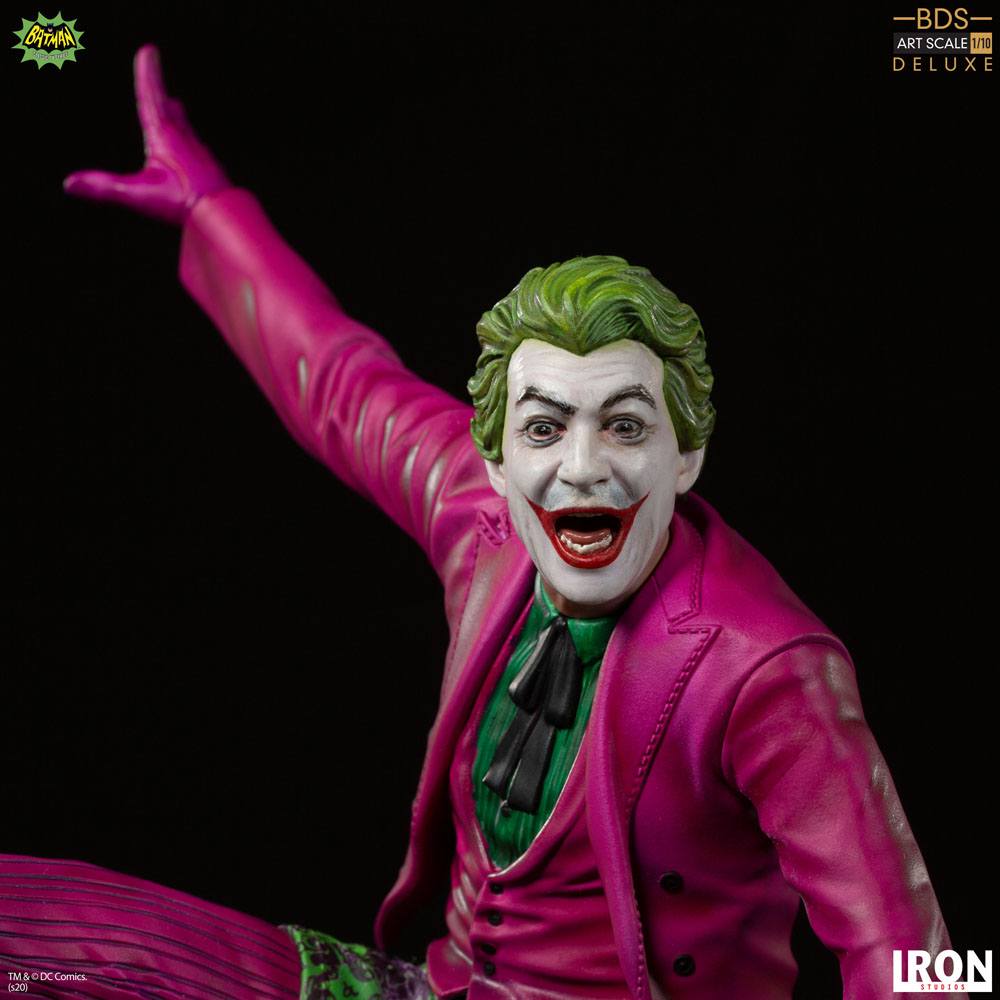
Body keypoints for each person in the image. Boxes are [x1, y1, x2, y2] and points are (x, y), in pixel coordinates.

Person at [1, 44, 950, 1000]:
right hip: (432, 986)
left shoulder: (768, 668)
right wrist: (212, 212)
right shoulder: (481, 516)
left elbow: (907, 952)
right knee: (37, 923)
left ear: (687, 455)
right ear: (496, 458)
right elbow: (336, 380)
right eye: (545, 428)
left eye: (626, 426)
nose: (582, 467)